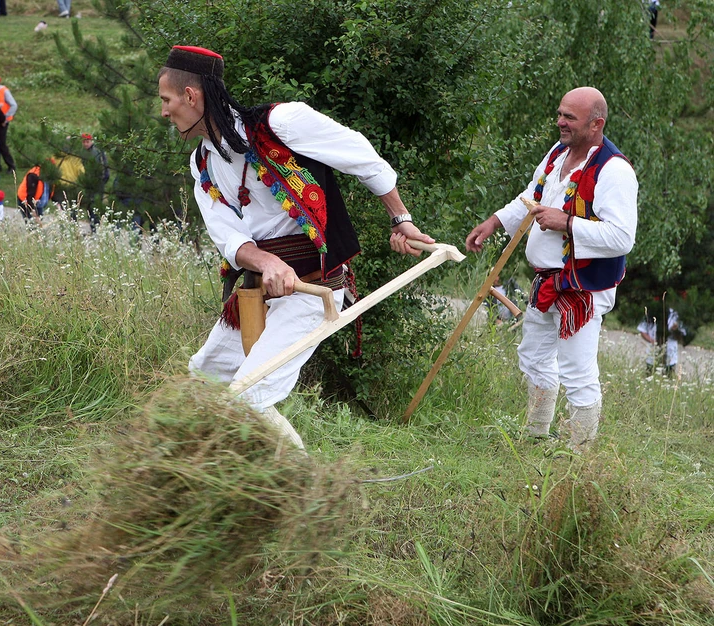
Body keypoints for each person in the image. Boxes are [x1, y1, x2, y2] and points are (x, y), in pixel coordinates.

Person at [158, 45, 433, 449]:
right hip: (258, 290)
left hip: (313, 290)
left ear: (190, 96)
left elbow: (359, 155)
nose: (164, 111)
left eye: (166, 100)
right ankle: (196, 464)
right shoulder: (202, 164)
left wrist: (400, 218)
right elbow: (228, 237)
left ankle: (300, 480)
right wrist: (267, 262)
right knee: (204, 378)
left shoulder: (281, 122)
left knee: (249, 395)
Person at [466, 87, 639, 452]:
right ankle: (536, 434)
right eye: (560, 114)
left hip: (583, 287)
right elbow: (532, 197)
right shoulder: (557, 153)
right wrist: (494, 222)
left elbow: (622, 237)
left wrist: (567, 222)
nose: (560, 122)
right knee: (533, 357)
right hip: (547, 281)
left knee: (577, 370)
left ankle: (580, 452)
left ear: (596, 124)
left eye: (569, 117)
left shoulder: (614, 170)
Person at [638, 307, 680, 376]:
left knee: (668, 376)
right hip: (652, 353)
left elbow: (682, 335)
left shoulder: (674, 314)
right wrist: (652, 341)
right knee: (650, 376)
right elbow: (642, 330)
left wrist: (676, 330)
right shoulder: (650, 313)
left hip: (670, 354)